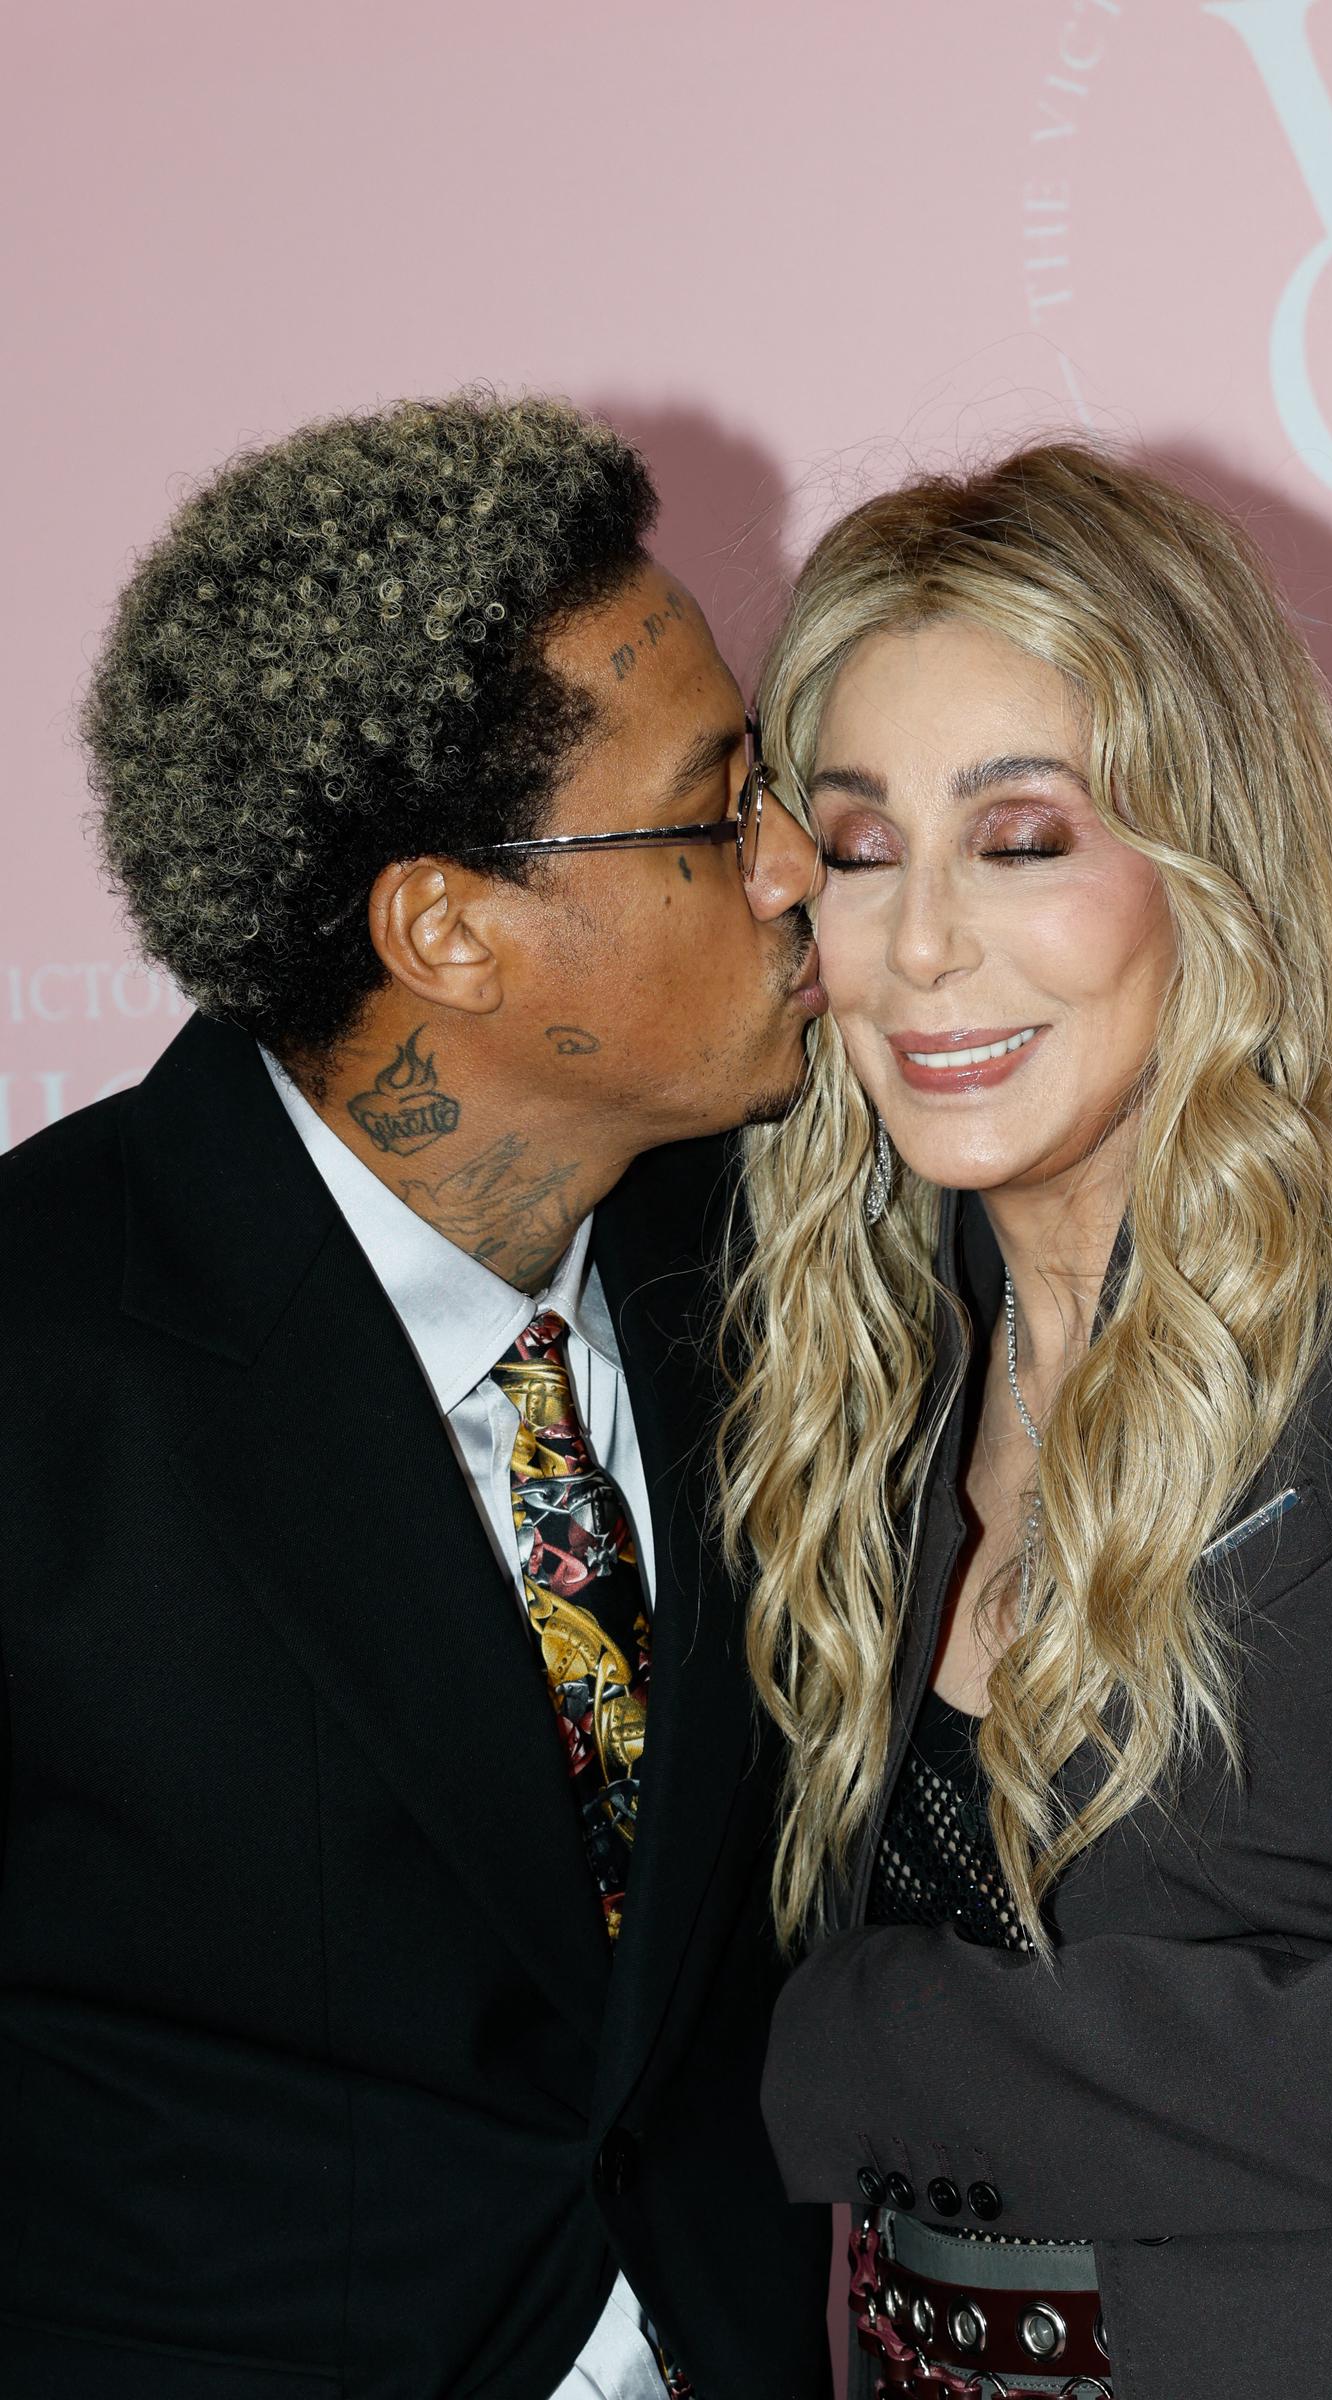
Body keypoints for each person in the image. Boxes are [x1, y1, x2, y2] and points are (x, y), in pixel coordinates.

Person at [721, 442, 1332, 2399]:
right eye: (861, 850)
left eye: (1021, 838)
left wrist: (850, 2046)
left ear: (1208, 858)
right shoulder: (854, 1363)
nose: (925, 943)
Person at [0, 394, 835, 2399]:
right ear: (447, 928)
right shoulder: (40, 1360)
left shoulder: (804, 1258)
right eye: (718, 808)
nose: (801, 864)